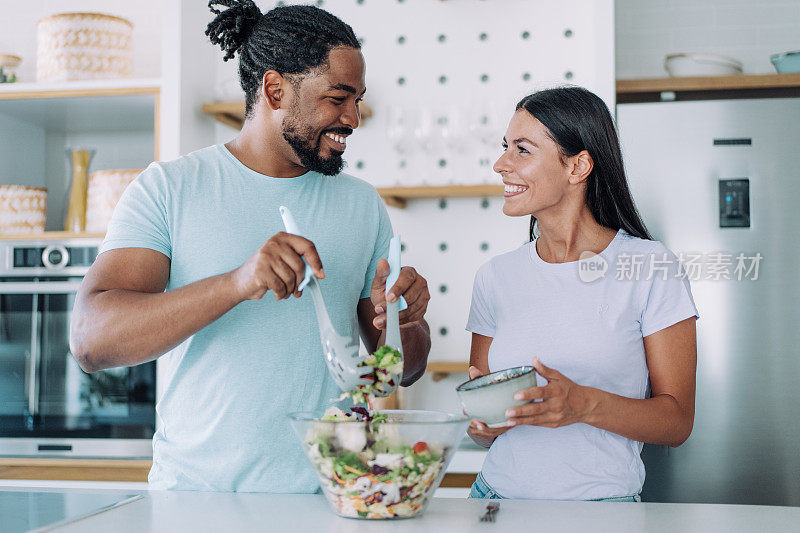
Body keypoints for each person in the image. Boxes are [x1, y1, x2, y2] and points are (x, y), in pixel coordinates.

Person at [69, 1, 432, 492]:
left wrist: (408, 324)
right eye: (338, 98)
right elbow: (91, 341)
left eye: (358, 100)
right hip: (197, 506)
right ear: (274, 89)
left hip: (331, 499)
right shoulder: (170, 188)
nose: (354, 119)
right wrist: (236, 283)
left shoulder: (361, 204)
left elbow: (400, 372)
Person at [465, 86, 698, 502]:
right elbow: (487, 429)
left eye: (522, 150)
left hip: (602, 510)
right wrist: (485, 426)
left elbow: (677, 422)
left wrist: (582, 404)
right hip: (494, 501)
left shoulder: (650, 267)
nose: (500, 164)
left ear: (577, 166)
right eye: (505, 147)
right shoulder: (495, 277)